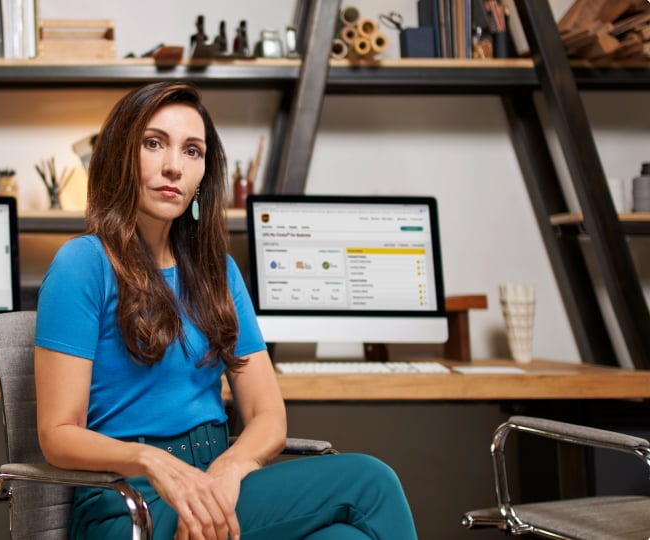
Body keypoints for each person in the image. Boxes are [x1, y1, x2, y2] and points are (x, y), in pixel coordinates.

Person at [34, 81, 417, 540]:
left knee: (347, 538)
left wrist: (231, 470)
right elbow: (57, 434)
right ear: (120, 153)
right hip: (130, 504)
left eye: (192, 151)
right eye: (153, 144)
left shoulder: (218, 273)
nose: (173, 166)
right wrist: (153, 462)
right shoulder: (83, 264)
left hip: (218, 487)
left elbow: (267, 414)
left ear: (202, 176)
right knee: (370, 482)